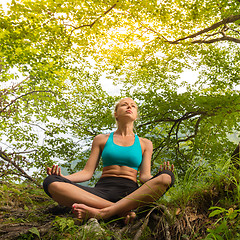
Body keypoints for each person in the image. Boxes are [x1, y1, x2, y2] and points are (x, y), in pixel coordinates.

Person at [43, 97, 174, 223]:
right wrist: (64, 177)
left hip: (131, 193)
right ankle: (122, 210)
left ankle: (103, 213)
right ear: (116, 114)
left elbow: (144, 177)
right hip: (101, 192)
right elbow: (87, 173)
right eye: (124, 104)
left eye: (133, 106)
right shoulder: (101, 139)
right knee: (51, 183)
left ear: (136, 115)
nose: (129, 106)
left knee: (166, 177)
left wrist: (159, 176)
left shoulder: (145, 143)